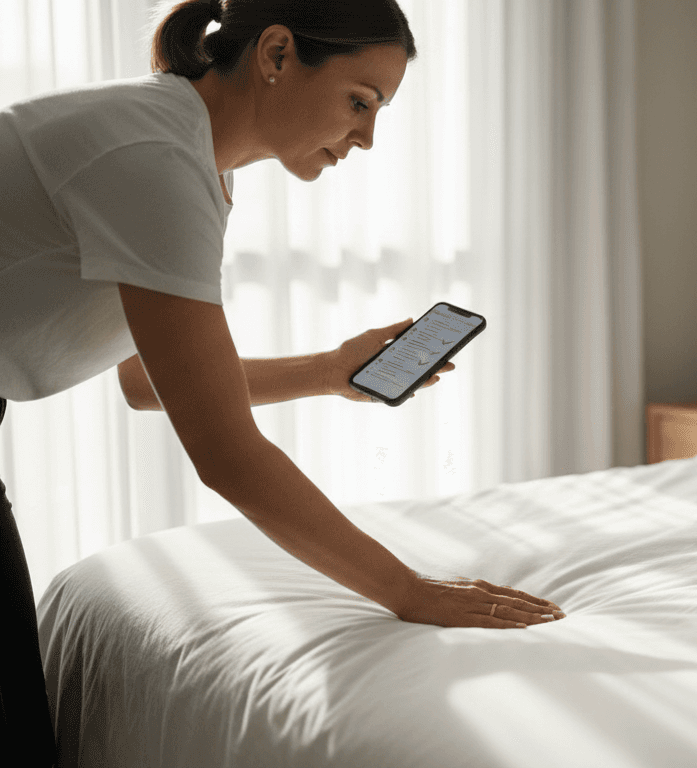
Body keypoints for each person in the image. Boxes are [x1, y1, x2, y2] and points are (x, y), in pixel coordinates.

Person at [0, 0, 564, 761]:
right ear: (275, 55)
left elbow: (141, 380)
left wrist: (331, 372)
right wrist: (410, 592)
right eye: (360, 101)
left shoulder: (190, 159)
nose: (366, 137)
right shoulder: (156, 159)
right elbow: (225, 454)